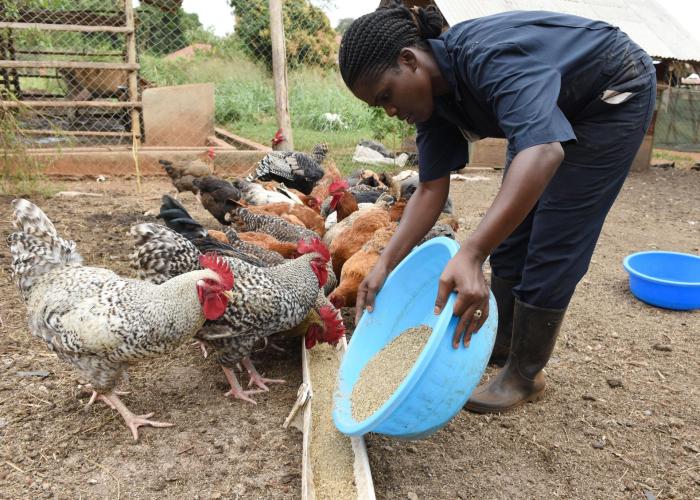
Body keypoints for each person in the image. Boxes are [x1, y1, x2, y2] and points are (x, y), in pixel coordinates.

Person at [339, 2, 656, 413]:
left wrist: (471, 253)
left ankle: (525, 375)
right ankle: (502, 340)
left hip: (610, 91)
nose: (391, 111)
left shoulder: (485, 56)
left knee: (555, 235)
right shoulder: (434, 103)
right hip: (554, 110)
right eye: (379, 106)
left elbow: (542, 150)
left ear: (409, 60)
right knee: (511, 235)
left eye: (386, 96)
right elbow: (431, 189)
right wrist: (384, 264)